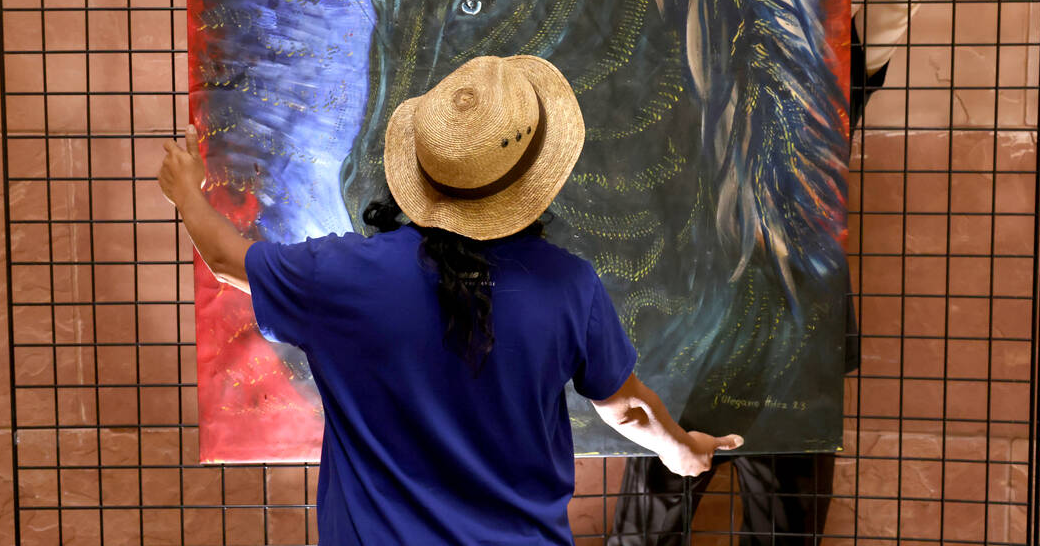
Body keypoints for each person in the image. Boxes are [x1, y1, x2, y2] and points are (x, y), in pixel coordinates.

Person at [159, 54, 743, 546]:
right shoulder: (569, 287)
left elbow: (227, 259)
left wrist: (187, 190)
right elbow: (627, 409)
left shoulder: (338, 276)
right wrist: (682, 451)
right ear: (532, 180)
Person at [607, 0, 936, 544]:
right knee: (642, 536)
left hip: (792, 342)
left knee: (784, 535)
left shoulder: (809, 74)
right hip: (679, 344)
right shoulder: (641, 75)